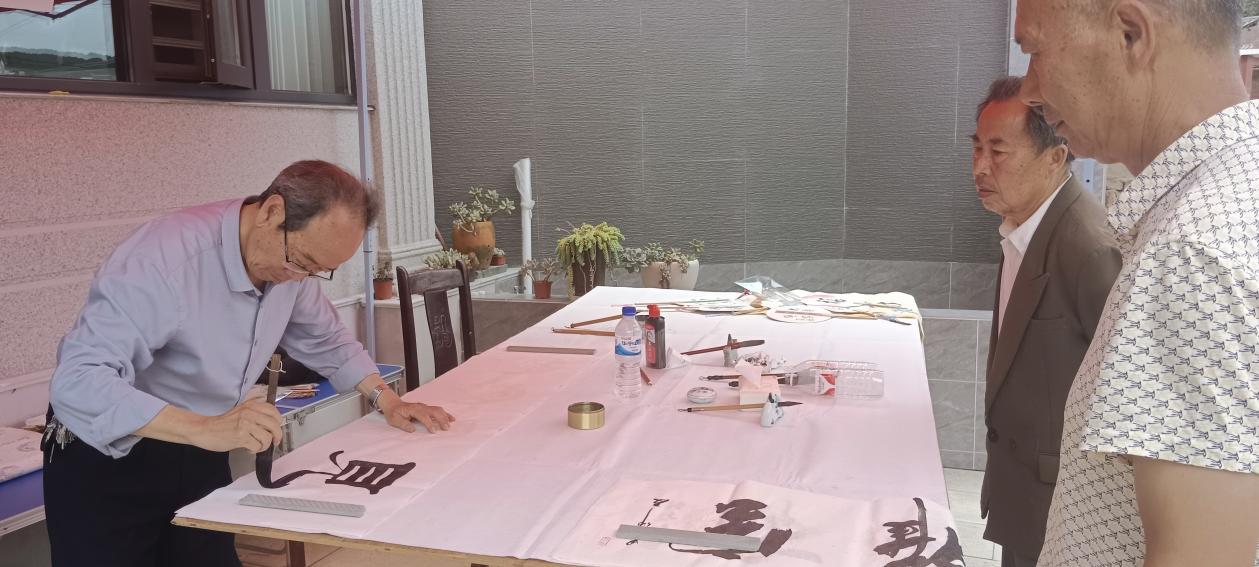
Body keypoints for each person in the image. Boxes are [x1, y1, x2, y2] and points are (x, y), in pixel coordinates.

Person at [42, 160, 455, 567]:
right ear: (272, 212)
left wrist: (386, 399)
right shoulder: (162, 260)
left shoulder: (290, 267)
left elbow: (325, 338)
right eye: (302, 262)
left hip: (200, 446)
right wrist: (205, 428)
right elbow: (78, 380)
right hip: (111, 455)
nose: (301, 278)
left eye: (319, 271)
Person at [1015, 1, 1259, 564]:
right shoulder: (1233, 196)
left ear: (1131, 34)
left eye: (1035, 52)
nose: (1028, 90)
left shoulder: (1194, 252)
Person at [970, 76, 1121, 567]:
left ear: (1055, 157)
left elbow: (1121, 390)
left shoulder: (1089, 247)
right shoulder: (1022, 227)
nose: (980, 167)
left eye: (998, 151)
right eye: (976, 148)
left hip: (1066, 506)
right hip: (1025, 489)